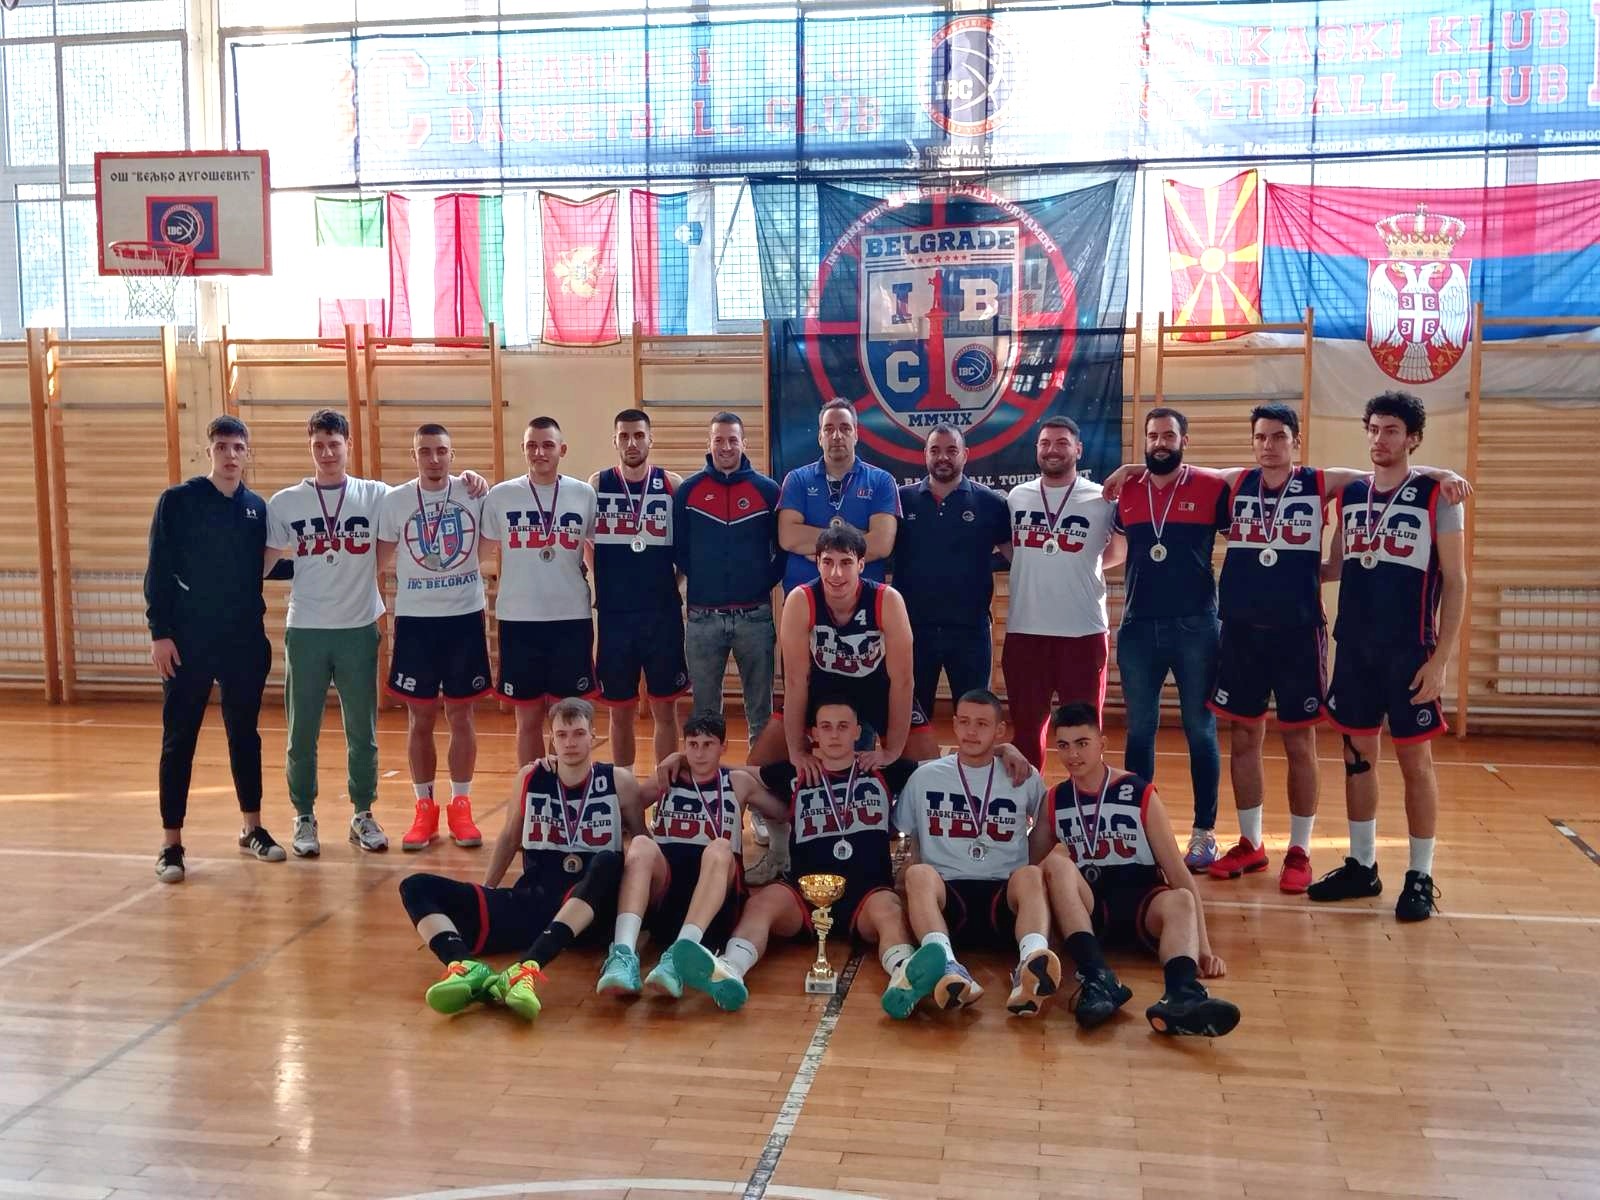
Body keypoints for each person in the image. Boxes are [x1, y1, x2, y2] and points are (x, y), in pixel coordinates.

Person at [668, 700, 932, 1016]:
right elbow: (727, 769)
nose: (834, 735)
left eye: (843, 727)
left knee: (890, 911)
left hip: (868, 892)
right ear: (813, 734)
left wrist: (1002, 752)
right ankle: (729, 970)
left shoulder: (883, 771)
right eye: (826, 727)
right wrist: (682, 757)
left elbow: (947, 766)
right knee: (761, 904)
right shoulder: (794, 773)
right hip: (803, 892)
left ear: (858, 732)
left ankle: (903, 976)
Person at [1312, 392, 1466, 921]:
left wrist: (1440, 660)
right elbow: (1336, 566)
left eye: (1392, 430)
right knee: (1357, 759)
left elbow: (1457, 581)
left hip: (1410, 652)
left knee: (1415, 764)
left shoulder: (1438, 495)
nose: (1380, 439)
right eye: (1374, 429)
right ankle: (1362, 865)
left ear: (1413, 438)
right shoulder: (1352, 494)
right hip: (1355, 649)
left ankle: (1420, 875)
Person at [397, 698, 645, 1021]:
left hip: (589, 912)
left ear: (593, 735)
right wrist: (487, 890)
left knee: (610, 861)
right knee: (415, 886)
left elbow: (642, 847)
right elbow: (509, 838)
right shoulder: (530, 777)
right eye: (562, 735)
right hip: (533, 901)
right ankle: (464, 966)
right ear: (552, 739)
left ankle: (527, 968)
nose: (570, 742)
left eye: (579, 733)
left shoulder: (619, 782)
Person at [1035, 702, 1240, 1036]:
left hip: (1143, 899)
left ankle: (1182, 996)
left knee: (1181, 899)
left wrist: (1203, 946)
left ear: (1102, 743)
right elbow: (1025, 862)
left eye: (1082, 743)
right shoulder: (1055, 799)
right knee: (1056, 864)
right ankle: (1098, 979)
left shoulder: (1139, 792)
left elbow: (1178, 872)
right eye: (1063, 745)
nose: (1072, 754)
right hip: (1093, 907)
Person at [146, 415, 283, 882]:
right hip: (188, 641)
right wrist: (160, 633)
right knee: (179, 738)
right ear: (209, 451)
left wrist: (328, 562)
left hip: (243, 640)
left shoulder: (256, 508)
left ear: (248, 454)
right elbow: (158, 567)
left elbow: (264, 567)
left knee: (245, 734)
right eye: (222, 446)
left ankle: (252, 828)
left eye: (238, 447)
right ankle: (171, 844)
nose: (230, 455)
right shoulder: (178, 501)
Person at [747, 523, 939, 827]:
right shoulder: (801, 599)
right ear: (817, 562)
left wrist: (891, 751)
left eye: (846, 562)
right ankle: (782, 832)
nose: (836, 573)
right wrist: (797, 751)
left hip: (876, 688)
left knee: (930, 768)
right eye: (828, 562)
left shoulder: (887, 600)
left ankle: (892, 826)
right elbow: (796, 680)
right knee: (760, 764)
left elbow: (903, 681)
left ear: (861, 564)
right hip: (821, 689)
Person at [1109, 407, 1231, 872]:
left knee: (1200, 729)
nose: (1160, 443)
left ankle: (1204, 832)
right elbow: (1115, 551)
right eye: (1153, 436)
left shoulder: (1211, 487)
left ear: (1184, 441)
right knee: (1140, 730)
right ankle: (1140, 828)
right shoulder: (1128, 490)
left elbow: (1253, 477)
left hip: (1196, 626)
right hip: (1139, 626)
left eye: (1168, 436)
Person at [596, 713, 788, 998]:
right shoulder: (667, 776)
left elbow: (784, 811)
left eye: (708, 744)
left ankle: (679, 956)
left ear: (723, 747)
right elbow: (626, 805)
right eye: (693, 744)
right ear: (684, 746)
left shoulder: (738, 782)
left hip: (717, 899)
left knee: (720, 847)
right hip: (668, 892)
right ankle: (622, 954)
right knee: (641, 844)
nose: (699, 753)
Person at [893, 689, 1060, 1017]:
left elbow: (1046, 824)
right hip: (948, 900)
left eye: (982, 724)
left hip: (1003, 898)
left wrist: (1029, 861)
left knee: (1031, 874)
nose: (971, 731)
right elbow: (905, 835)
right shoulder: (925, 777)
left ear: (1000, 730)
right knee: (918, 874)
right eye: (965, 722)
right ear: (954, 724)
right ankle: (946, 964)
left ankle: (1030, 964)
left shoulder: (1021, 774)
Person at [376, 424, 492, 852]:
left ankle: (461, 805)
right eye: (425, 451)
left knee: (462, 716)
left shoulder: (474, 492)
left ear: (452, 454)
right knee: (420, 718)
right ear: (414, 457)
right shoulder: (396, 501)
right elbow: (378, 561)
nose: (434, 458)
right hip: (416, 622)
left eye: (441, 451)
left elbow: (484, 547)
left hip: (464, 619)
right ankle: (424, 808)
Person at [1002, 416, 1126, 768]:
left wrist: (1081, 565)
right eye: (1045, 443)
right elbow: (1013, 549)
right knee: (1027, 730)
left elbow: (1117, 553)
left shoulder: (1101, 498)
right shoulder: (1017, 497)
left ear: (1078, 449)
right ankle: (1029, 800)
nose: (1052, 450)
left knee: (1083, 731)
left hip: (1082, 632)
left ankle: (1084, 799)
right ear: (1036, 449)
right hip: (1026, 631)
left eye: (1061, 443)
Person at [481, 416, 599, 764]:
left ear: (562, 449)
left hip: (570, 618)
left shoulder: (583, 494)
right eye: (532, 445)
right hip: (520, 619)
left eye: (547, 445)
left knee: (570, 720)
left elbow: (594, 549)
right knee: (528, 719)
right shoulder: (501, 495)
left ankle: (567, 787)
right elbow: (478, 554)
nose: (539, 452)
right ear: (523, 449)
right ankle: (533, 788)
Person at [674, 411, 783, 749]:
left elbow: (782, 550)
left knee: (760, 713)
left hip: (755, 618)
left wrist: (760, 583)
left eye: (732, 440)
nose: (725, 447)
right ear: (709, 443)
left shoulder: (768, 491)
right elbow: (679, 549)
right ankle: (707, 778)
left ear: (744, 443)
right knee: (705, 714)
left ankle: (761, 780)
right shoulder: (688, 492)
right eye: (719, 440)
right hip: (702, 619)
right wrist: (704, 578)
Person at [892, 423, 1012, 724]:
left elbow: (1016, 557)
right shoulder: (901, 500)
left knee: (975, 717)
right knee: (912, 718)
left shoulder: (991, 503)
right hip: (913, 630)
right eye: (935, 450)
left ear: (965, 454)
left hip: (970, 631)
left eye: (951, 450)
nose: (943, 457)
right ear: (925, 454)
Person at [776, 399, 900, 593]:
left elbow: (881, 544)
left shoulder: (881, 481)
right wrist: (859, 538)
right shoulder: (796, 480)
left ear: (856, 435)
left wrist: (818, 550)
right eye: (828, 429)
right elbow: (788, 537)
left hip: (864, 597)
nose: (836, 436)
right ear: (820, 437)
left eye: (845, 428)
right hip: (805, 596)